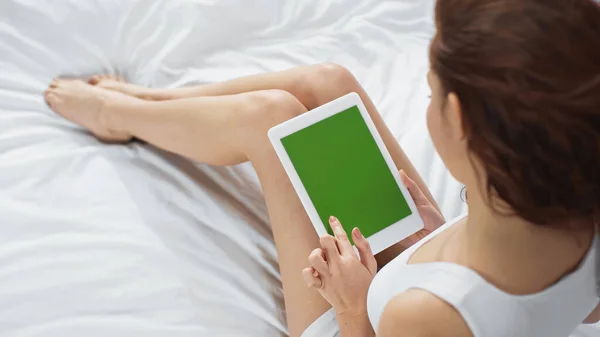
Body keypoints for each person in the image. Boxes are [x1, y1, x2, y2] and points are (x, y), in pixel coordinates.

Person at [43, 0, 600, 336]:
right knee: (327, 84)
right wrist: (441, 232)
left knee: (271, 119)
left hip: (363, 318)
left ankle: (119, 115)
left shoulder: (426, 316)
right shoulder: (573, 193)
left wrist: (353, 304)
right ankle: (150, 100)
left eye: (430, 93)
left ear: (458, 120)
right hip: (422, 271)